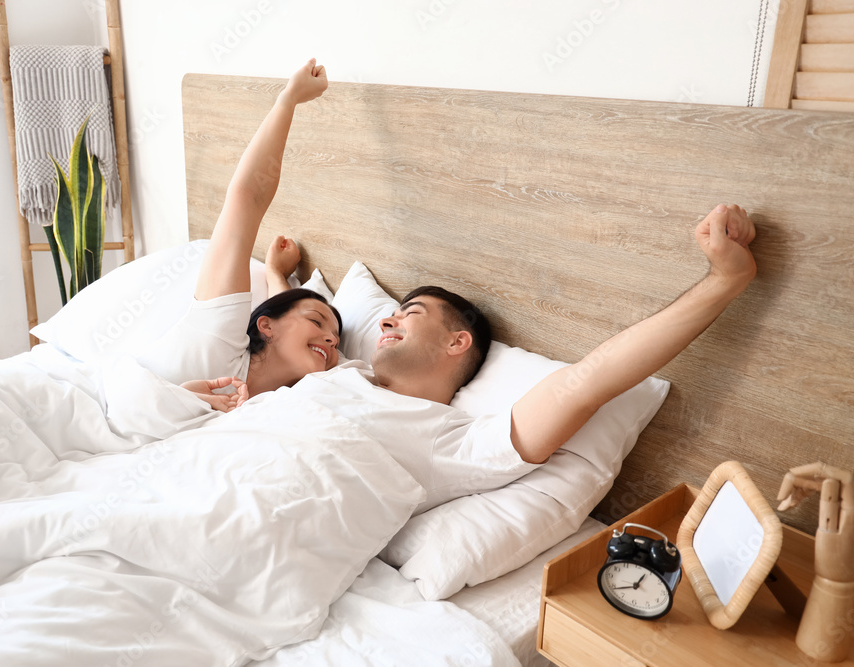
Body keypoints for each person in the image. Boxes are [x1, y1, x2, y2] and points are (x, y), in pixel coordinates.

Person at [181, 59, 757, 507]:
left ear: (458, 343)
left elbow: (586, 383)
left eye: (409, 315)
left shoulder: (450, 441)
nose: (382, 319)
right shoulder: (334, 376)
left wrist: (722, 281)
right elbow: (297, 314)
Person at [139, 59, 342, 412]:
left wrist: (277, 275)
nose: (331, 339)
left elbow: (286, 320)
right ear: (264, 326)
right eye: (318, 322)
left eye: (336, 340)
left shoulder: (285, 404)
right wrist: (289, 99)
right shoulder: (217, 338)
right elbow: (246, 198)